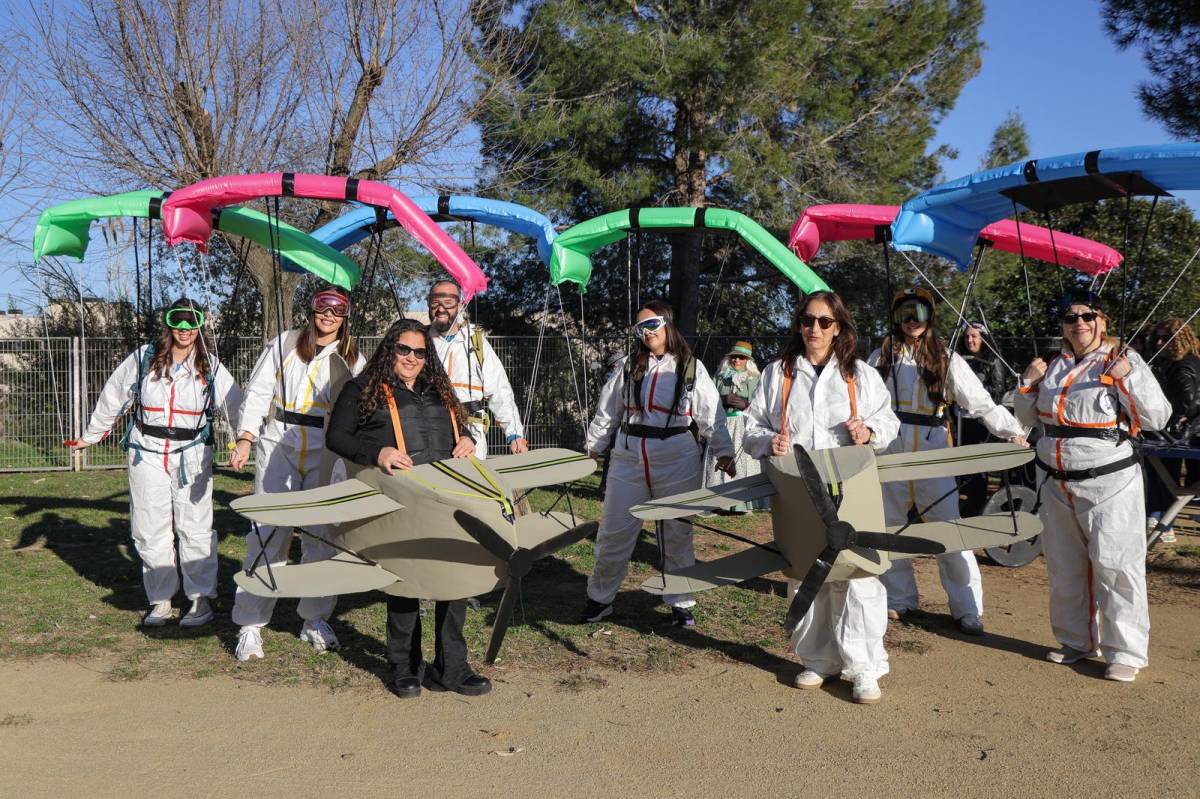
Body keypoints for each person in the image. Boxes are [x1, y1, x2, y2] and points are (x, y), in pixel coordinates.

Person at [744, 292, 899, 704]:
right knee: (805, 574)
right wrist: (767, 441)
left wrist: (869, 431)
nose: (815, 329)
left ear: (839, 327)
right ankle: (818, 659)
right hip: (796, 487)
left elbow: (888, 420)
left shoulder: (861, 375)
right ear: (799, 324)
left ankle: (864, 667)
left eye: (825, 322)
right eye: (808, 320)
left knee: (859, 576)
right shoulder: (778, 374)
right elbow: (751, 425)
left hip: (851, 488)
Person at [325, 318, 489, 698]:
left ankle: (452, 668)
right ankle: (405, 668)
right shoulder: (363, 387)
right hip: (399, 499)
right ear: (389, 350)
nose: (412, 358)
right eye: (404, 350)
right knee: (404, 583)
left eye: (419, 351)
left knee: (455, 581)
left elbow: (460, 429)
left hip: (446, 498)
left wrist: (466, 438)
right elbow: (337, 436)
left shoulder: (439, 389)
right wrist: (376, 452)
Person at [1016, 294, 1169, 682]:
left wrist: (1128, 377)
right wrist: (1028, 386)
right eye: (1070, 317)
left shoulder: (1123, 360)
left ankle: (1126, 651)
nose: (1078, 323)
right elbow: (1027, 420)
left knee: (1117, 566)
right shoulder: (1051, 365)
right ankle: (1076, 641)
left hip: (1110, 482)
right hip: (1054, 480)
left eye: (1087, 316)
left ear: (1102, 320)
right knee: (1064, 566)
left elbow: (1156, 417)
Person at [69, 298, 242, 628]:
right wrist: (92, 435)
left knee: (194, 526)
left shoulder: (210, 364)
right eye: (179, 322)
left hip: (192, 452)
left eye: (193, 322)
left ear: (200, 325)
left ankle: (199, 600)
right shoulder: (144, 358)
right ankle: (160, 601)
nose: (186, 330)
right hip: (146, 451)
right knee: (150, 526)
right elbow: (113, 394)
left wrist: (245, 442)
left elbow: (235, 405)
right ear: (169, 324)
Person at [869, 288, 1026, 635]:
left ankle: (967, 607)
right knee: (890, 526)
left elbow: (980, 403)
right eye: (905, 312)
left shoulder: (945, 357)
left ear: (930, 316)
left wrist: (1012, 431)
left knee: (949, 528)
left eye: (919, 312)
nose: (912, 320)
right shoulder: (879, 356)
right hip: (888, 447)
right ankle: (899, 598)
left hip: (933, 447)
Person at [228, 288, 365, 661]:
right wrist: (245, 438)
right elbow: (257, 392)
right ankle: (251, 624)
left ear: (346, 316)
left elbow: (362, 407)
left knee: (323, 535)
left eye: (338, 309)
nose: (329, 314)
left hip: (326, 447)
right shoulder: (285, 343)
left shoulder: (352, 357)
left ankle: (315, 618)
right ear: (312, 309)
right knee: (268, 530)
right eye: (323, 306)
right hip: (278, 441)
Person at [581, 299, 736, 627]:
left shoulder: (690, 367)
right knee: (614, 530)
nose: (646, 332)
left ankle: (680, 601)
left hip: (677, 456)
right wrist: (592, 449)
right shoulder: (627, 365)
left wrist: (724, 452)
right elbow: (607, 411)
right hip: (628, 456)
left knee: (677, 531)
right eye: (640, 327)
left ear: (667, 324)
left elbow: (711, 414)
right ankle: (600, 598)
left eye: (652, 325)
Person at [426, 279, 527, 457]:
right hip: (429, 430)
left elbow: (500, 391)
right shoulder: (419, 341)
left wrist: (515, 434)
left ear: (460, 304)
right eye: (435, 302)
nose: (441, 309)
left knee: (470, 483)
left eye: (448, 302)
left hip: (472, 432)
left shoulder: (476, 342)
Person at [1145, 318, 1200, 544]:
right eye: (1157, 338)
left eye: (1165, 338)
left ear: (1179, 339)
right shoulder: (1193, 361)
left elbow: (1187, 399)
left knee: (1162, 473)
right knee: (1182, 481)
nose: (1159, 343)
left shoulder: (1182, 365)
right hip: (1191, 433)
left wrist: (1176, 416)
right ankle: (1162, 520)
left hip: (1181, 434)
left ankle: (1161, 521)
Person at [954, 320, 1009, 516]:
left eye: (974, 336)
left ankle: (982, 508)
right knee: (963, 463)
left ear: (983, 339)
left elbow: (997, 392)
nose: (970, 339)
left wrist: (976, 396)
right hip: (961, 421)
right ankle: (967, 504)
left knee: (982, 465)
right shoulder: (959, 360)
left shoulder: (993, 360)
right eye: (967, 336)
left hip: (983, 421)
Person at [704, 341, 764, 513]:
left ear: (748, 360)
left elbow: (762, 405)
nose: (737, 360)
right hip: (721, 422)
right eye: (734, 356)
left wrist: (746, 404)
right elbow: (707, 398)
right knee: (719, 458)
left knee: (743, 461)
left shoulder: (755, 379)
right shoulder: (719, 376)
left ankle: (741, 503)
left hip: (743, 424)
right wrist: (723, 399)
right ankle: (716, 502)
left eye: (742, 357)